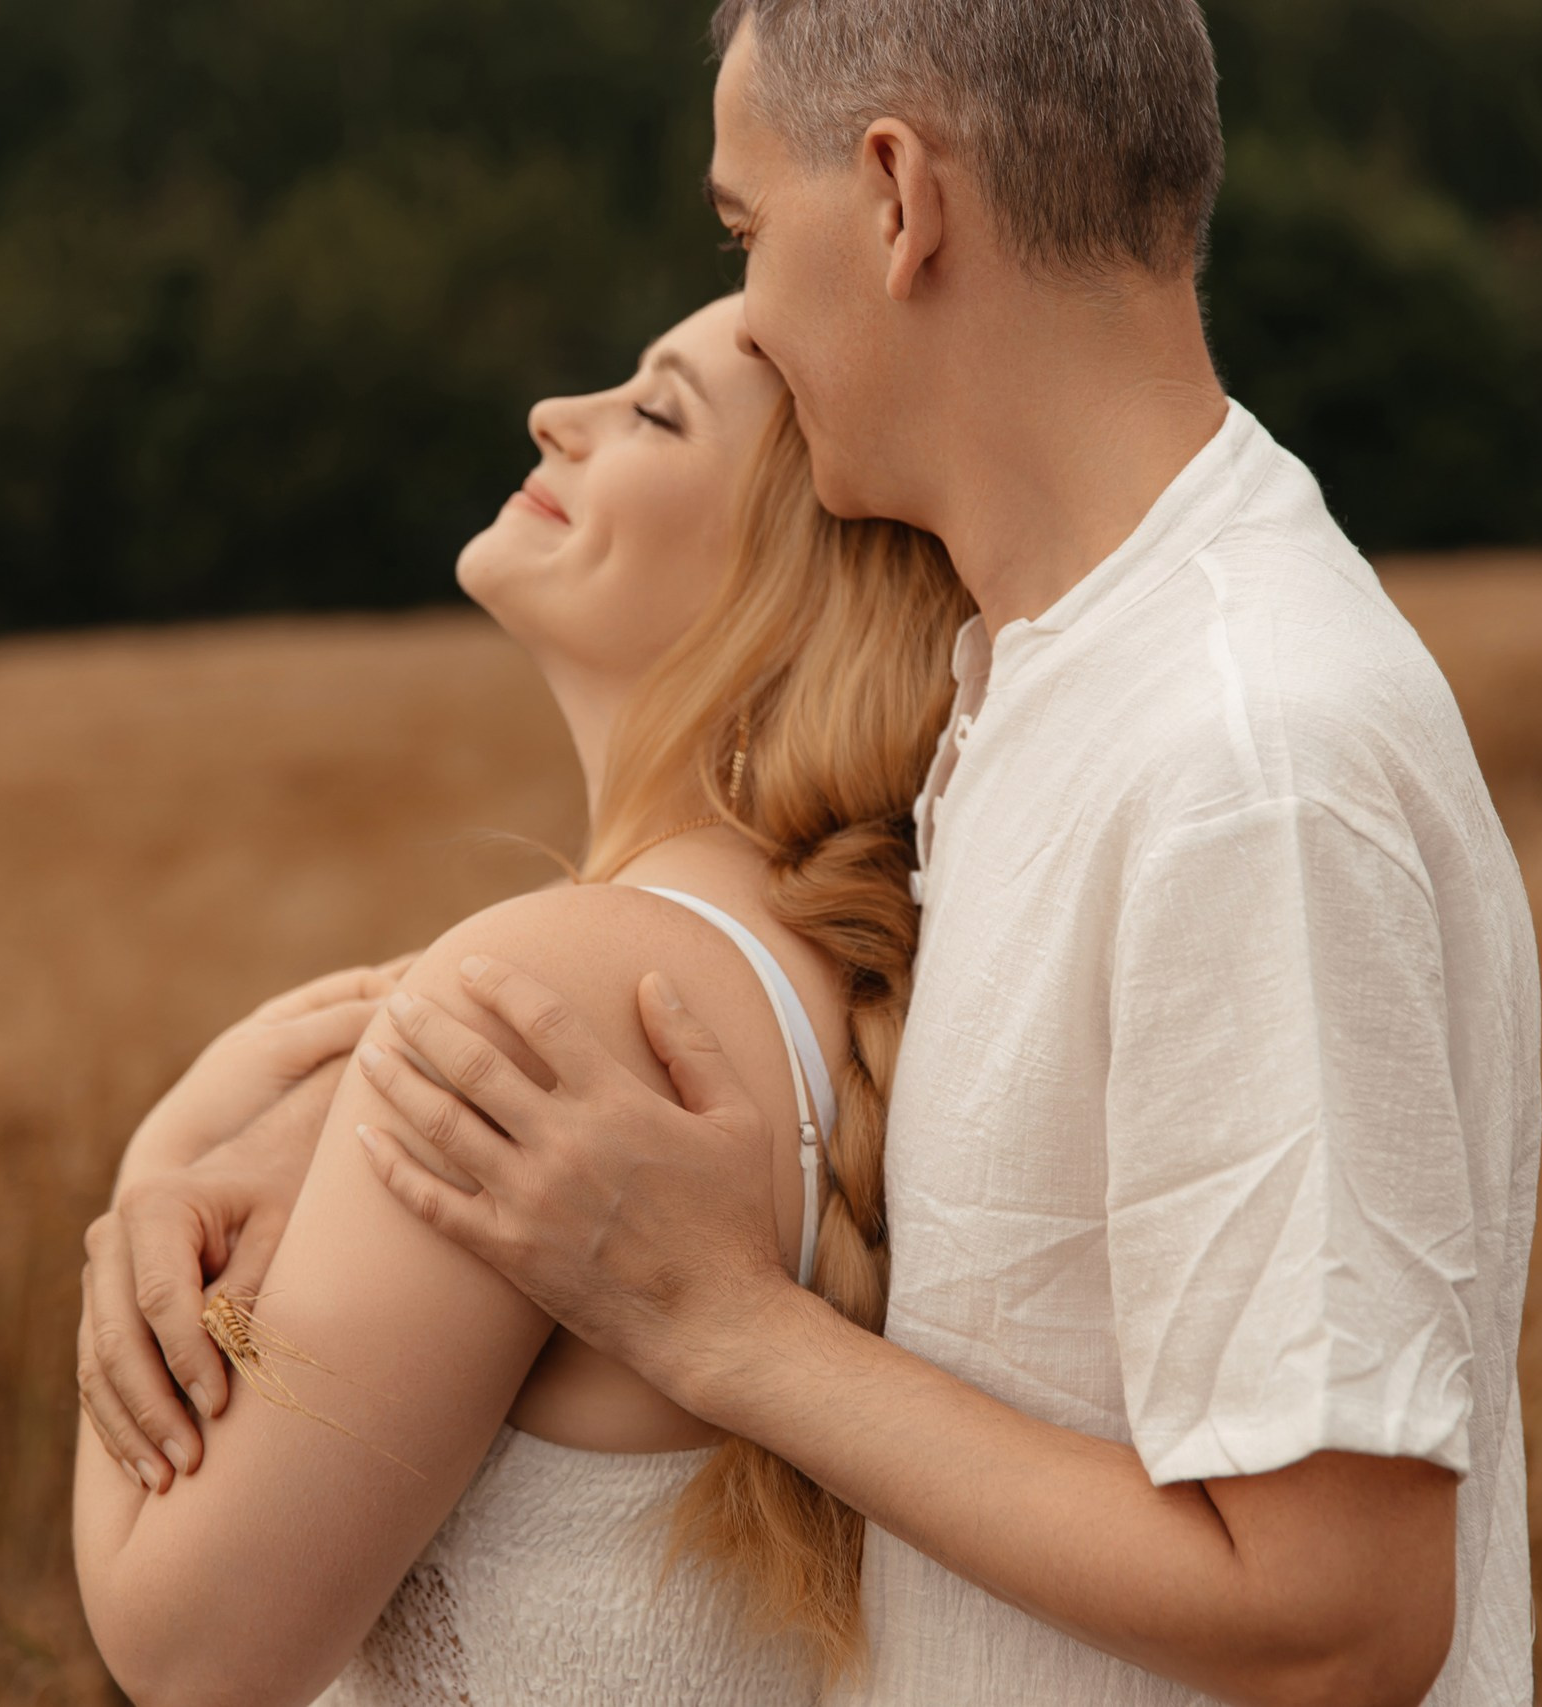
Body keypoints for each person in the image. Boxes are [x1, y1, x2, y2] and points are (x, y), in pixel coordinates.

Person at [97, 3, 1542, 1703]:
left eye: (741, 228)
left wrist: (722, 1326)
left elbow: (1338, 1619)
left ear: (895, 200)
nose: (751, 306)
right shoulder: (1035, 684)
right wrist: (325, 1145)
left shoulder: (1242, 753)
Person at [71, 293, 974, 1705]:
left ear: (793, 582)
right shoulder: (826, 977)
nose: (559, 413)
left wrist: (160, 1170)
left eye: (654, 409)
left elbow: (193, 1653)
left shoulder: (561, 991)